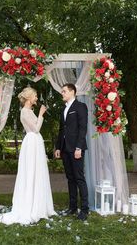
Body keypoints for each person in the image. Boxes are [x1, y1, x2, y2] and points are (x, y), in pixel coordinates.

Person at [0, 87, 56, 225]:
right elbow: (35, 129)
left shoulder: (29, 111)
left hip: (35, 142)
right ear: (29, 98)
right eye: (35, 96)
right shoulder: (24, 111)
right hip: (32, 142)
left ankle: (40, 203)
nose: (36, 98)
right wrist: (41, 114)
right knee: (31, 171)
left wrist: (38, 114)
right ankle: (31, 204)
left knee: (38, 171)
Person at [55, 83, 89, 221]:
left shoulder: (80, 107)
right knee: (70, 179)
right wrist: (58, 147)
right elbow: (61, 130)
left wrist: (79, 148)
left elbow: (83, 128)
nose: (61, 93)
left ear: (72, 92)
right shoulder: (64, 109)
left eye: (64, 91)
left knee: (79, 178)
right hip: (64, 149)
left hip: (76, 148)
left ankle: (85, 210)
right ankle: (73, 207)